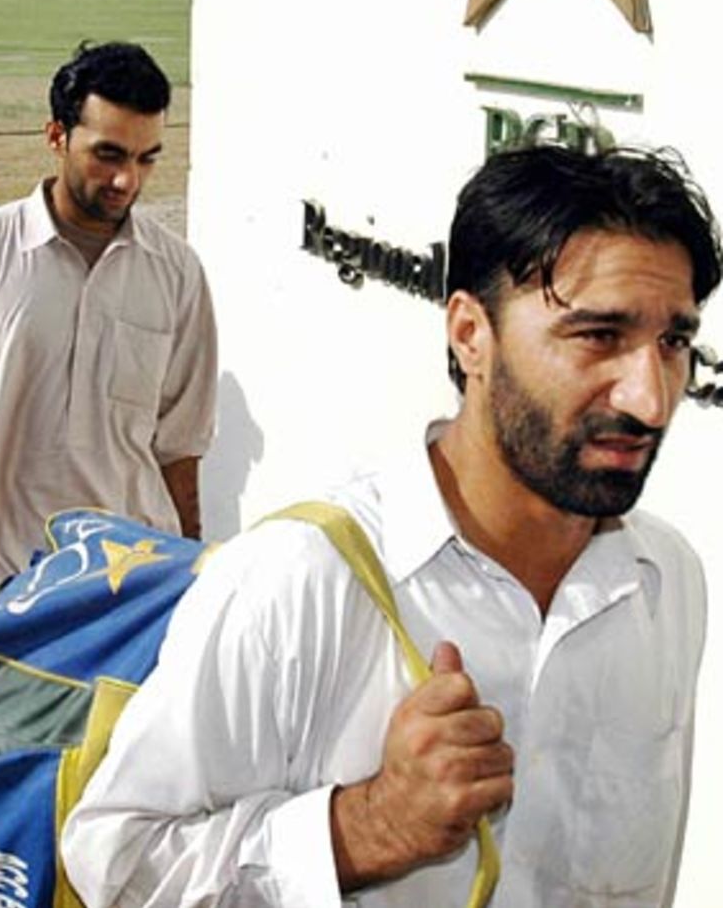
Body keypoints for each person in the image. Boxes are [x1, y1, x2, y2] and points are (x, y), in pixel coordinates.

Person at [62, 144, 721, 908]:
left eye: (673, 341)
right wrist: (363, 829)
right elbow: (110, 857)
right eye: (598, 336)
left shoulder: (665, 582)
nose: (651, 398)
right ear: (471, 334)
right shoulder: (299, 580)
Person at [0, 41, 218, 631]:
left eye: (148, 159)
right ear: (55, 136)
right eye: (108, 154)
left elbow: (179, 448)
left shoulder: (177, 274)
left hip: (128, 596)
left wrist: (190, 573)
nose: (128, 179)